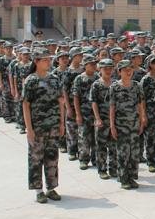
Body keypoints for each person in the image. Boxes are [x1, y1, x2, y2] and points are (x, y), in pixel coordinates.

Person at [22, 48, 65, 204]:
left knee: (52, 158)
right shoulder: (31, 80)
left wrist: (62, 123)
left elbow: (60, 102)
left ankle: (51, 188)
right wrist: (29, 129)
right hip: (38, 127)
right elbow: (26, 105)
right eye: (45, 59)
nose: (48, 62)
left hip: (53, 126)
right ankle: (39, 190)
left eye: (49, 59)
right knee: (36, 159)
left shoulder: (54, 79)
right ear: (36, 62)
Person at [109, 60, 146, 190]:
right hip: (121, 125)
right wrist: (112, 125)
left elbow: (140, 104)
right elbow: (112, 107)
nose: (128, 72)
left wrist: (142, 119)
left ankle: (131, 177)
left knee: (134, 152)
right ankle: (123, 178)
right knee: (123, 152)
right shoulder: (114, 87)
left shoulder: (137, 85)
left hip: (134, 124)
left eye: (130, 69)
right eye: (125, 70)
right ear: (119, 72)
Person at [90, 59, 117, 179]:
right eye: (105, 68)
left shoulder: (115, 83)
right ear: (100, 69)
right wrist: (97, 118)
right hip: (102, 119)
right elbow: (94, 102)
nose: (108, 71)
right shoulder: (96, 84)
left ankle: (113, 168)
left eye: (110, 68)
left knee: (114, 145)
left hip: (113, 120)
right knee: (101, 146)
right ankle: (102, 169)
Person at [73, 54, 99, 170]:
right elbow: (76, 97)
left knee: (96, 137)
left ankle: (95, 159)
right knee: (84, 137)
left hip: (96, 113)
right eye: (91, 64)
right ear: (85, 65)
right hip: (84, 113)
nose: (94, 66)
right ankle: (83, 159)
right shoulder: (79, 79)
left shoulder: (98, 77)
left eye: (95, 64)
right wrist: (78, 114)